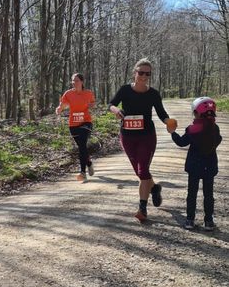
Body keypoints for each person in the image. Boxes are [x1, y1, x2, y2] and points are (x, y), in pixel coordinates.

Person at [108, 58, 177, 222]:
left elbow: (161, 113)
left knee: (143, 171)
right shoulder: (125, 90)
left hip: (147, 136)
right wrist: (116, 110)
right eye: (141, 73)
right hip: (127, 137)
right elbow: (111, 104)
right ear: (135, 73)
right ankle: (155, 188)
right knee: (140, 173)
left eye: (148, 73)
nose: (144, 76)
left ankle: (142, 208)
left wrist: (169, 123)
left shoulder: (153, 93)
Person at [170, 97, 222, 231]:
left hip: (194, 166)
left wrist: (172, 133)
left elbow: (182, 142)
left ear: (197, 113)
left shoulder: (192, 129)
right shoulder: (215, 128)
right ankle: (208, 221)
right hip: (209, 165)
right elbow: (218, 140)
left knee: (192, 193)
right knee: (208, 194)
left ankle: (190, 220)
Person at [56, 73, 96, 182]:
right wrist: (59, 109)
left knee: (82, 144)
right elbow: (63, 104)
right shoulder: (68, 93)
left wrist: (91, 105)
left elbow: (93, 103)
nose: (74, 82)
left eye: (77, 80)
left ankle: (83, 172)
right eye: (73, 80)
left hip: (86, 122)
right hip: (73, 124)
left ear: (82, 82)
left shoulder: (88, 93)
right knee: (81, 148)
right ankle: (89, 163)